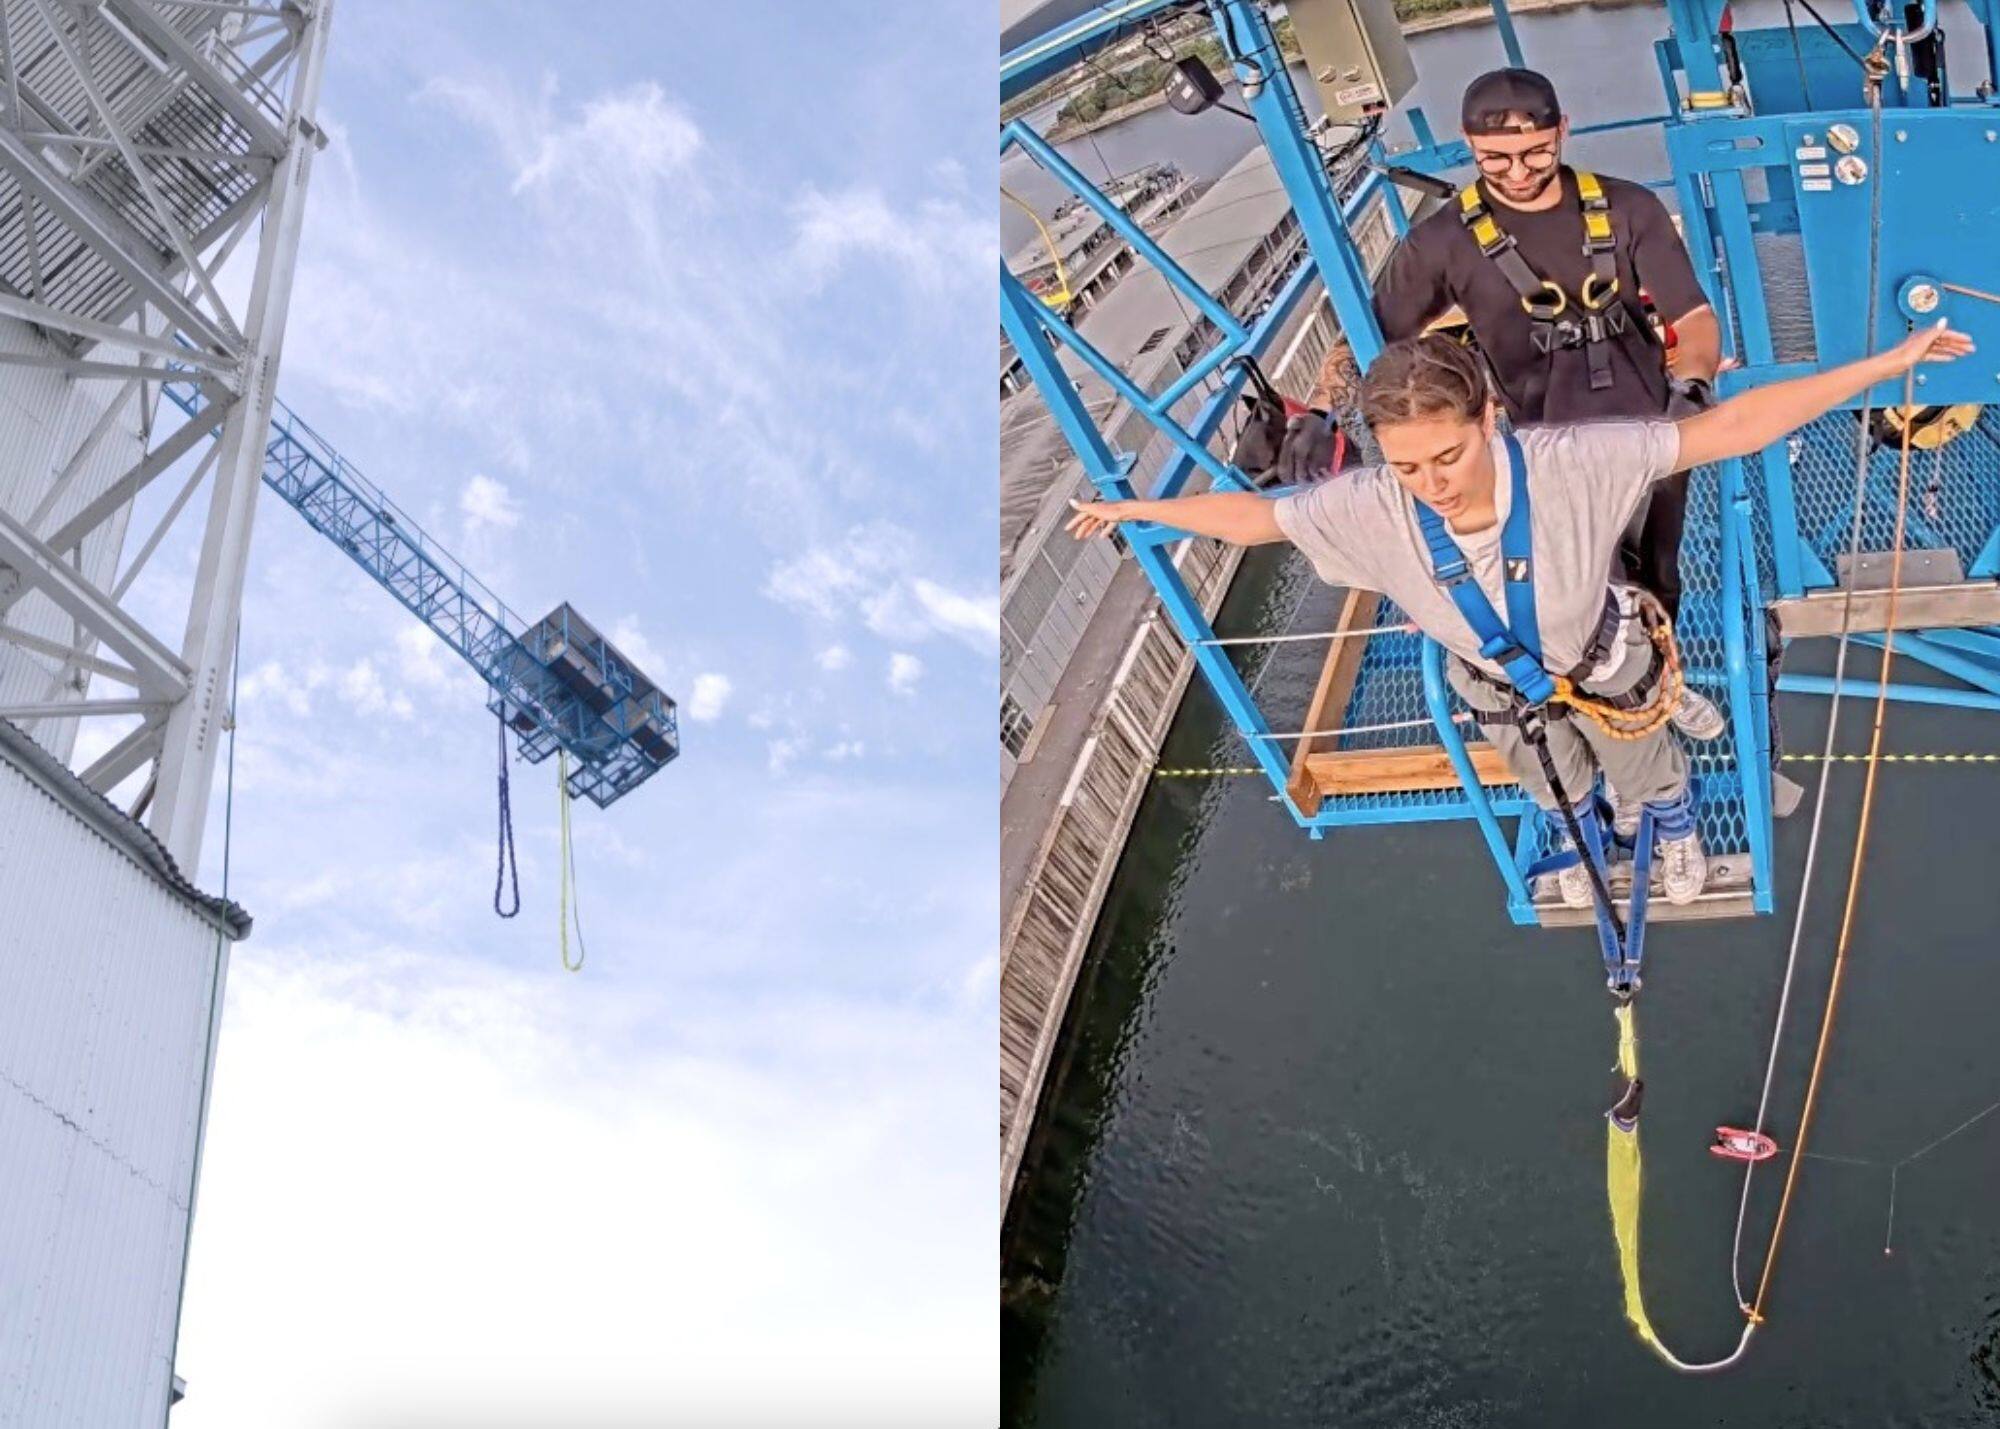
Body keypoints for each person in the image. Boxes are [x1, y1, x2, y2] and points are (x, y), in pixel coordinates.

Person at [1068, 323, 1971, 908]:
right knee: (1552, 776)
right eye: (1408, 466)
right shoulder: (1372, 501)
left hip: (1599, 648)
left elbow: (1727, 430)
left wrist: (1885, 368)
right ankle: (1580, 846)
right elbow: (1259, 518)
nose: (1432, 485)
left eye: (1449, 456)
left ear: (1492, 419)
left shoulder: (1572, 462)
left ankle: (1675, 825)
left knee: (1640, 760)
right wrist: (1145, 512)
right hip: (1499, 678)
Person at [1274, 69, 1724, 729]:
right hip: (1541, 449)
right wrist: (1321, 412)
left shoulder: (1628, 209)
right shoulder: (1444, 243)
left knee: (1658, 568)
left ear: (1563, 130)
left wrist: (1694, 385)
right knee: (1579, 582)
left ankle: (1661, 681)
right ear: (1468, 146)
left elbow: (1695, 317)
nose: (1518, 172)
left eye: (1537, 151)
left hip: (1650, 425)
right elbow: (1368, 341)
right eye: (1495, 159)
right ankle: (1603, 704)